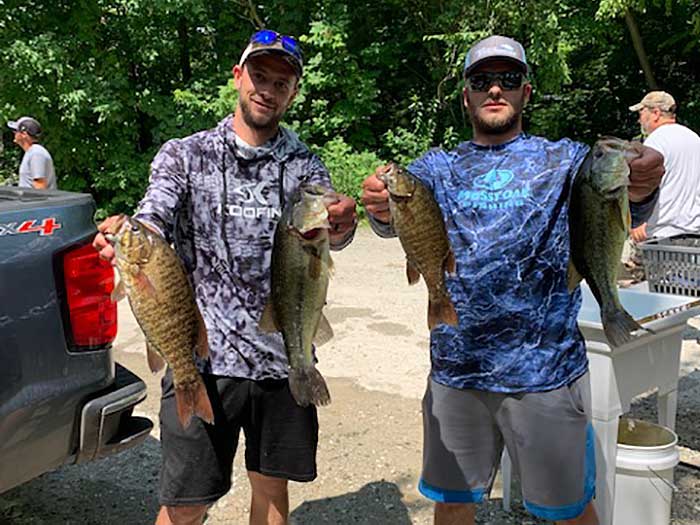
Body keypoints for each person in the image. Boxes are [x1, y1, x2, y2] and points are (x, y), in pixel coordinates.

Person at [361, 35, 664, 525]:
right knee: (453, 503)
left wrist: (645, 184)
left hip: (545, 376)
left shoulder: (565, 158)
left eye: (508, 79)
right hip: (457, 374)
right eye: (482, 80)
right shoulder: (438, 166)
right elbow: (396, 212)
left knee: (569, 510)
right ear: (466, 95)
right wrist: (378, 204)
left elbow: (615, 201)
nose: (495, 89)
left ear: (527, 91)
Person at [93, 29, 357, 525]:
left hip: (282, 359)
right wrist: (125, 240)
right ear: (238, 76)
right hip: (204, 356)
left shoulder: (303, 163)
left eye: (282, 82)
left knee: (272, 491)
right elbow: (154, 217)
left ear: (293, 93)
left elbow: (327, 230)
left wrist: (344, 222)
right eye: (260, 74)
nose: (268, 88)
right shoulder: (186, 154)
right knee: (185, 504)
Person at [628, 91, 700, 242]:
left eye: (641, 113)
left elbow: (645, 186)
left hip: (662, 234)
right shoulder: (694, 139)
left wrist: (639, 221)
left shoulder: (656, 142)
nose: (639, 120)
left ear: (655, 113)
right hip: (695, 233)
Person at [7, 116, 56, 189]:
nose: (14, 134)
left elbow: (40, 185)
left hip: (36, 200)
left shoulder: (36, 153)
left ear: (24, 134)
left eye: (15, 131)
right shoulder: (31, 152)